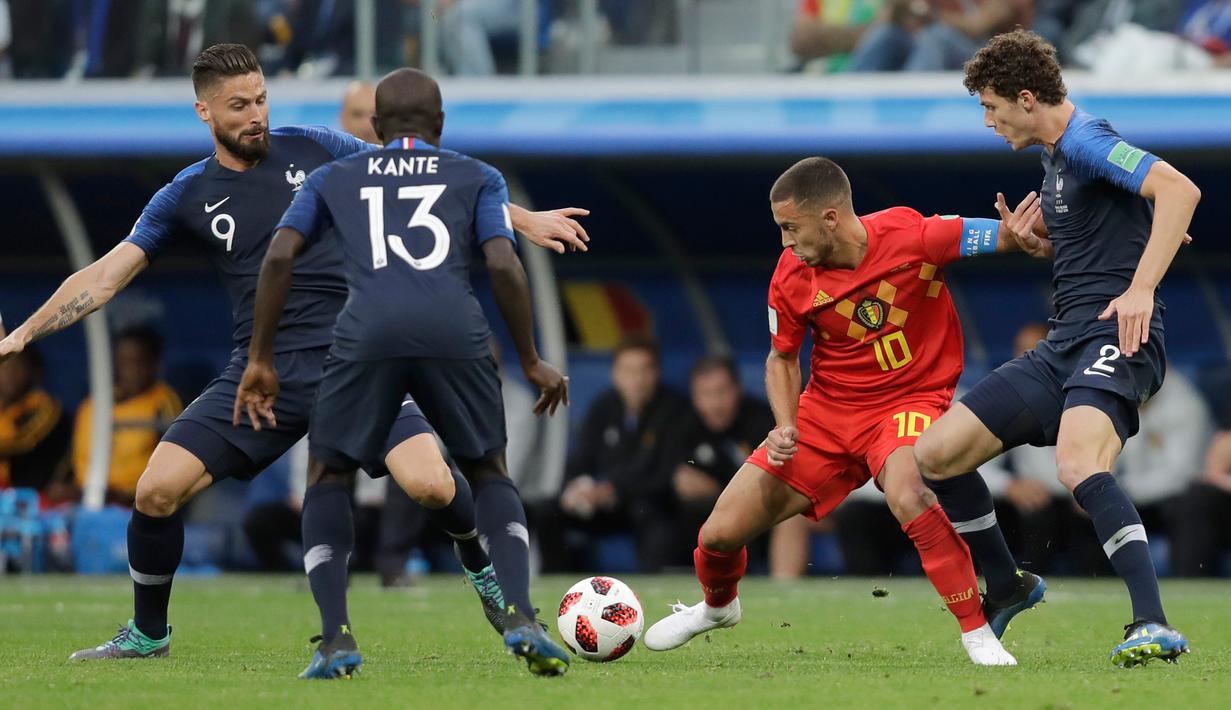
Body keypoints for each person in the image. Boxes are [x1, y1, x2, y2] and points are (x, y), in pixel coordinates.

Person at [0, 43, 589, 666]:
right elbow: (105, 277)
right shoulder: (186, 193)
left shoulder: (315, 147)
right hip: (263, 374)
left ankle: (482, 573)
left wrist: (522, 220)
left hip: (355, 361)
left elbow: (421, 180)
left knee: (432, 483)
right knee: (156, 491)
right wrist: (21, 337)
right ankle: (149, 634)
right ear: (204, 111)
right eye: (238, 105)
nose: (255, 115)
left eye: (260, 99)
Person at [234, 67, 572, 677]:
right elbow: (502, 263)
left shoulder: (334, 176)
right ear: (440, 124)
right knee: (487, 472)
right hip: (455, 330)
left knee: (329, 474)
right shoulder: (478, 175)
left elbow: (280, 255)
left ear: (375, 126)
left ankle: (336, 639)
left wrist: (260, 358)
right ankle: (521, 616)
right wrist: (530, 359)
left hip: (367, 331)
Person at [644, 156, 1044, 666]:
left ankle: (976, 631)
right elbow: (781, 359)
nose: (785, 242)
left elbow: (1005, 237)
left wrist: (1022, 234)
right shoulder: (791, 275)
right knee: (718, 534)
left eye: (791, 227)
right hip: (828, 414)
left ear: (830, 218)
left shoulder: (913, 235)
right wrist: (785, 424)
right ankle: (717, 608)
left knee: (910, 491)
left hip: (909, 402)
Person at [915, 29, 1201, 667]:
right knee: (935, 455)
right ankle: (1008, 584)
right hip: (1064, 340)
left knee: (1077, 463)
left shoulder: (1087, 140)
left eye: (991, 107)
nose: (988, 122)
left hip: (1118, 333)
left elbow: (1180, 191)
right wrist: (1042, 243)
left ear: (1025, 98)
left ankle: (1152, 623)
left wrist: (1141, 289)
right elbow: (1108, 230)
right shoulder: (1055, 158)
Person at [529, 334, 685, 573]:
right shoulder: (604, 405)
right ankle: (558, 581)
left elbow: (668, 475)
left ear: (657, 373)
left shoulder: (675, 410)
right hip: (602, 503)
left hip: (648, 503)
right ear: (615, 374)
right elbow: (581, 459)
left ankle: (654, 586)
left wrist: (613, 490)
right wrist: (575, 488)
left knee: (658, 525)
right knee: (548, 511)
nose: (637, 379)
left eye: (644, 370)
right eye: (628, 371)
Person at [662, 355, 774, 568]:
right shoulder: (681, 424)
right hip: (693, 516)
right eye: (706, 394)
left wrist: (718, 490)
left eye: (721, 392)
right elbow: (665, 473)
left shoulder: (762, 422)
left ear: (738, 389)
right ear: (694, 397)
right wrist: (676, 479)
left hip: (750, 518)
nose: (715, 404)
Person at [72, 328, 182, 507]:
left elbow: (171, 467)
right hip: (88, 498)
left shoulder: (164, 401)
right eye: (125, 362)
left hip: (138, 502)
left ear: (155, 363)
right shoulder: (93, 405)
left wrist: (126, 495)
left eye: (139, 361)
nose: (132, 370)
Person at [847, 0, 1032, 72]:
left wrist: (930, 15)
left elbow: (978, 24)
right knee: (887, 34)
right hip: (926, 46)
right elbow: (882, 23)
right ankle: (847, 100)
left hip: (987, 54)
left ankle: (914, 101)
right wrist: (897, 10)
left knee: (935, 36)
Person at [0, 344, 71, 495]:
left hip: (33, 491)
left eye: (17, 366)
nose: (10, 374)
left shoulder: (45, 406)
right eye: (5, 367)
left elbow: (25, 442)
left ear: (32, 370)